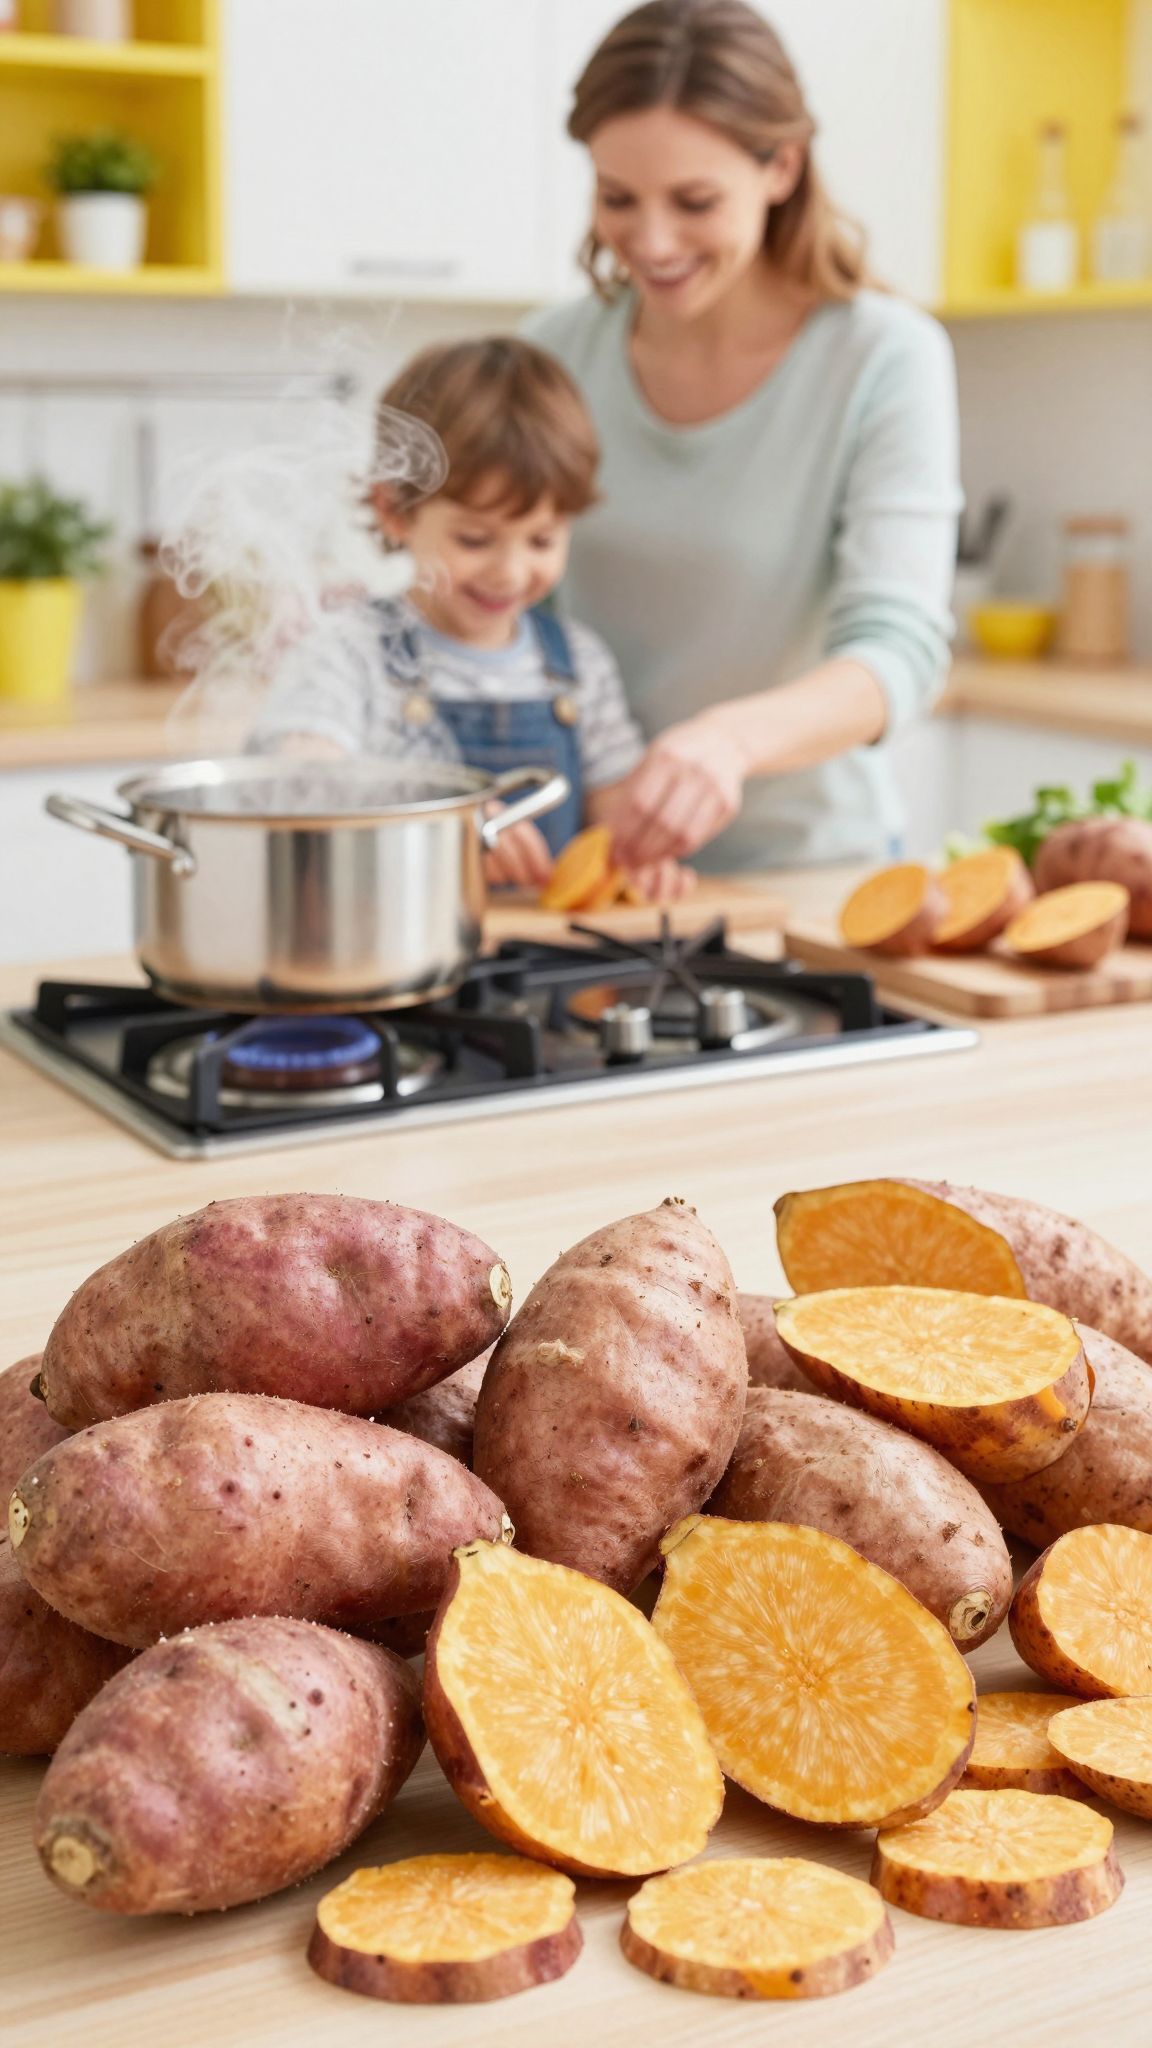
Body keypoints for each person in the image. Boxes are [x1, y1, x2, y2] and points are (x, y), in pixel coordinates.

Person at [529, 0, 963, 872]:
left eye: (694, 201)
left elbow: (899, 652)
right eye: (618, 197)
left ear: (782, 168)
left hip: (807, 874)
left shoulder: (882, 357)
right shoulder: (550, 355)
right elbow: (501, 619)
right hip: (592, 874)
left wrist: (729, 741)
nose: (650, 242)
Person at [252, 336, 691, 896]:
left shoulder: (579, 664)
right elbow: (299, 779)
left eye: (541, 539)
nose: (510, 572)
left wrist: (642, 857)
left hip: (551, 968)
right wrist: (436, 824)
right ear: (395, 510)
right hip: (395, 959)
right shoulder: (350, 650)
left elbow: (616, 818)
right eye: (475, 539)